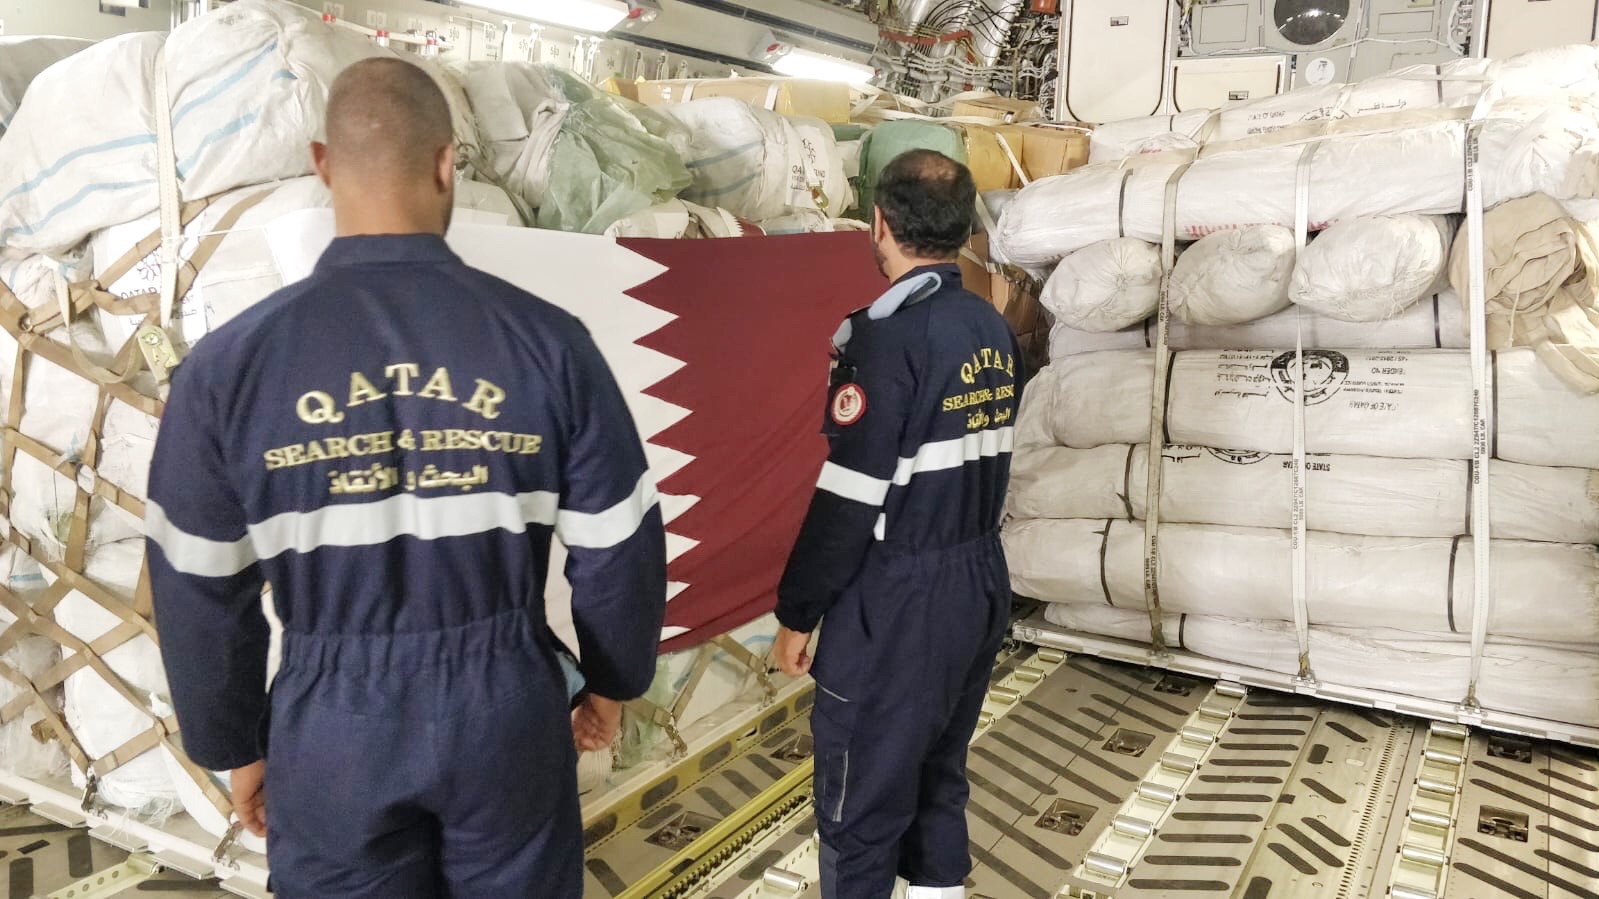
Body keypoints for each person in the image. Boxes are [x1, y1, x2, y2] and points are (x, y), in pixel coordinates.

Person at [144, 58, 666, 898]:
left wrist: (234, 741)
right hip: (505, 713)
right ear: (447, 163)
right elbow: (620, 544)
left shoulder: (228, 368)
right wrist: (610, 680)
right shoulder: (549, 343)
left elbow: (196, 583)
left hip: (333, 728)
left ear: (322, 165)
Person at [772, 150, 1022, 899]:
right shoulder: (989, 325)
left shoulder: (884, 340)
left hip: (899, 601)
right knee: (938, 774)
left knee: (860, 803)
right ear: (966, 227)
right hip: (978, 580)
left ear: (878, 222)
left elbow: (848, 500)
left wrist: (797, 612)